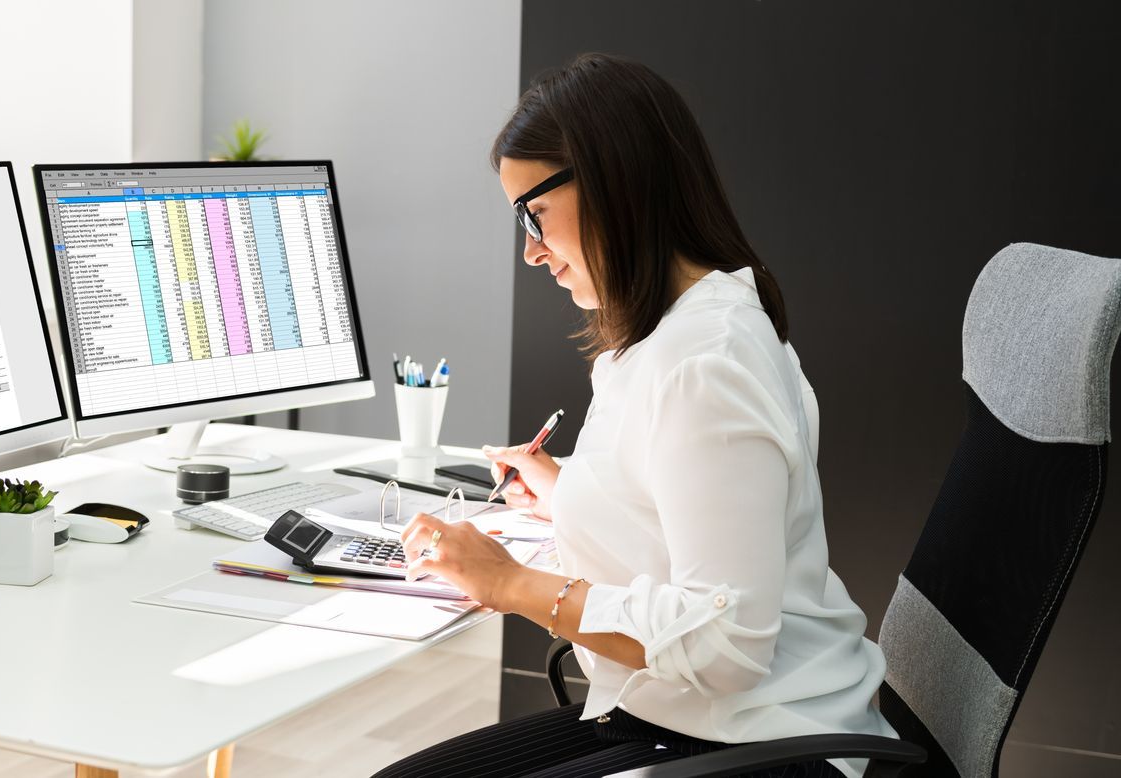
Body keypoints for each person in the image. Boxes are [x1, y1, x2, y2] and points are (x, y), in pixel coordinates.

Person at [374, 53, 894, 778]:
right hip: (684, 718)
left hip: (766, 741)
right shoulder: (677, 329)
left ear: (611, 183)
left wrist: (511, 583)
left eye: (533, 215)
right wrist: (568, 492)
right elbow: (686, 507)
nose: (530, 252)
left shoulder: (707, 363)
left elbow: (724, 645)